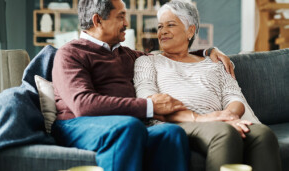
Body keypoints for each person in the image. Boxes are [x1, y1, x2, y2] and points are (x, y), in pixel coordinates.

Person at [52, 0, 234, 171]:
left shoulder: (127, 55)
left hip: (128, 126)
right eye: (121, 16)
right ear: (98, 20)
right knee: (129, 126)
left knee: (171, 132)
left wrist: (207, 51)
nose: (126, 23)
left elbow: (168, 56)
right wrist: (149, 106)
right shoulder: (70, 53)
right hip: (77, 124)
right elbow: (83, 105)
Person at [133, 1, 282, 171]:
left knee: (263, 135)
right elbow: (148, 101)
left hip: (218, 121)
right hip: (176, 123)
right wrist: (212, 120)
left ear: (191, 30)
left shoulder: (215, 63)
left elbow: (234, 97)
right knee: (224, 133)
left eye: (170, 25)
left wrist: (227, 116)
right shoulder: (147, 61)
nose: (162, 31)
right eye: (160, 27)